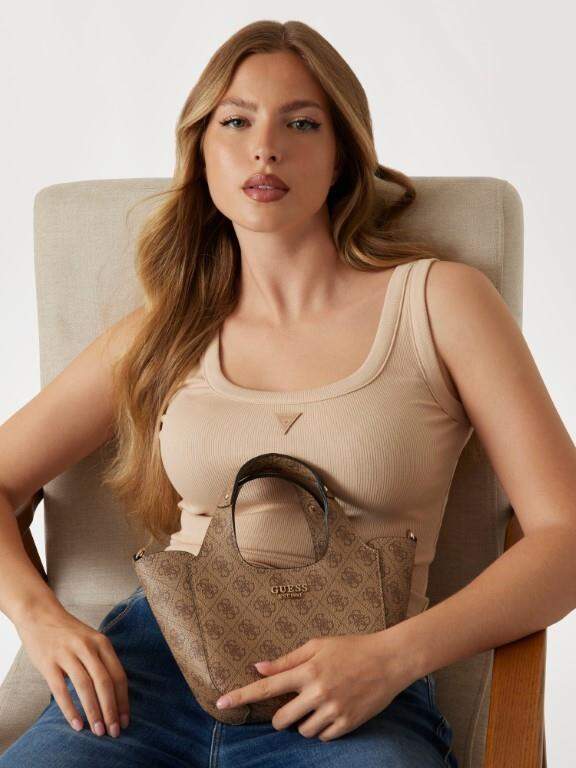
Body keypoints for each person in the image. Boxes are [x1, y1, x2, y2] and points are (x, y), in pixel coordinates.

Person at [2, 18, 574, 768]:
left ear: (342, 158)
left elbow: (565, 535)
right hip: (147, 680)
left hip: (356, 695)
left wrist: (394, 658)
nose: (264, 148)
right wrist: (39, 618)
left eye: (301, 123)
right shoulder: (165, 331)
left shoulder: (439, 303)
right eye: (236, 121)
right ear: (201, 153)